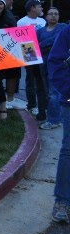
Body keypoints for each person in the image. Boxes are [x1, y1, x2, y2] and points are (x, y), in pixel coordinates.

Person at [47, 24, 70, 223]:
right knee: (69, 150)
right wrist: (68, 89)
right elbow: (55, 62)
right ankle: (63, 201)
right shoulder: (67, 32)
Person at [37, 7, 67, 130]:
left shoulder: (63, 28)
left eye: (56, 14)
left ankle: (54, 120)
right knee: (47, 92)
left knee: (54, 93)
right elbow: (32, 45)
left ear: (59, 16)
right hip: (43, 65)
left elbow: (56, 39)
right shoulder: (40, 31)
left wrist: (42, 44)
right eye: (51, 14)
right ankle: (56, 116)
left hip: (58, 65)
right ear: (46, 16)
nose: (53, 16)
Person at [17, 0, 47, 120]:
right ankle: (32, 105)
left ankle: (43, 105)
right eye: (39, 6)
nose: (41, 8)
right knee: (31, 79)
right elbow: (19, 39)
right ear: (32, 8)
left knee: (42, 79)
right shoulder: (21, 22)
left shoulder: (43, 21)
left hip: (42, 50)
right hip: (29, 50)